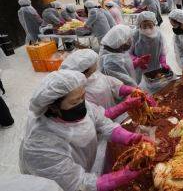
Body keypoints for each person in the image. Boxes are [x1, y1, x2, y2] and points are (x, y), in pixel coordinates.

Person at [19, 70, 154, 191]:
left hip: (81, 165)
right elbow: (77, 184)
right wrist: (123, 175)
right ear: (53, 107)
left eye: (82, 97)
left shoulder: (81, 105)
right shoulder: (40, 147)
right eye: (74, 102)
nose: (82, 103)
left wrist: (132, 138)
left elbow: (103, 122)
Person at [60, 49, 150, 119]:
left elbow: (110, 83)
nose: (97, 65)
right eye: (94, 64)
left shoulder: (93, 74)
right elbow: (97, 117)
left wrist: (130, 89)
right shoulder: (75, 92)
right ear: (85, 69)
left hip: (111, 122)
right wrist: (125, 105)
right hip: (99, 129)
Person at [129, 11, 169, 88]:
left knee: (156, 87)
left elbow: (162, 52)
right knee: (141, 88)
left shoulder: (159, 35)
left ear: (154, 24)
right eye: (144, 26)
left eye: (150, 26)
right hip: (139, 70)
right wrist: (137, 61)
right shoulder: (135, 35)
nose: (147, 28)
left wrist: (163, 62)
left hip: (155, 68)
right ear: (139, 26)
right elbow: (128, 53)